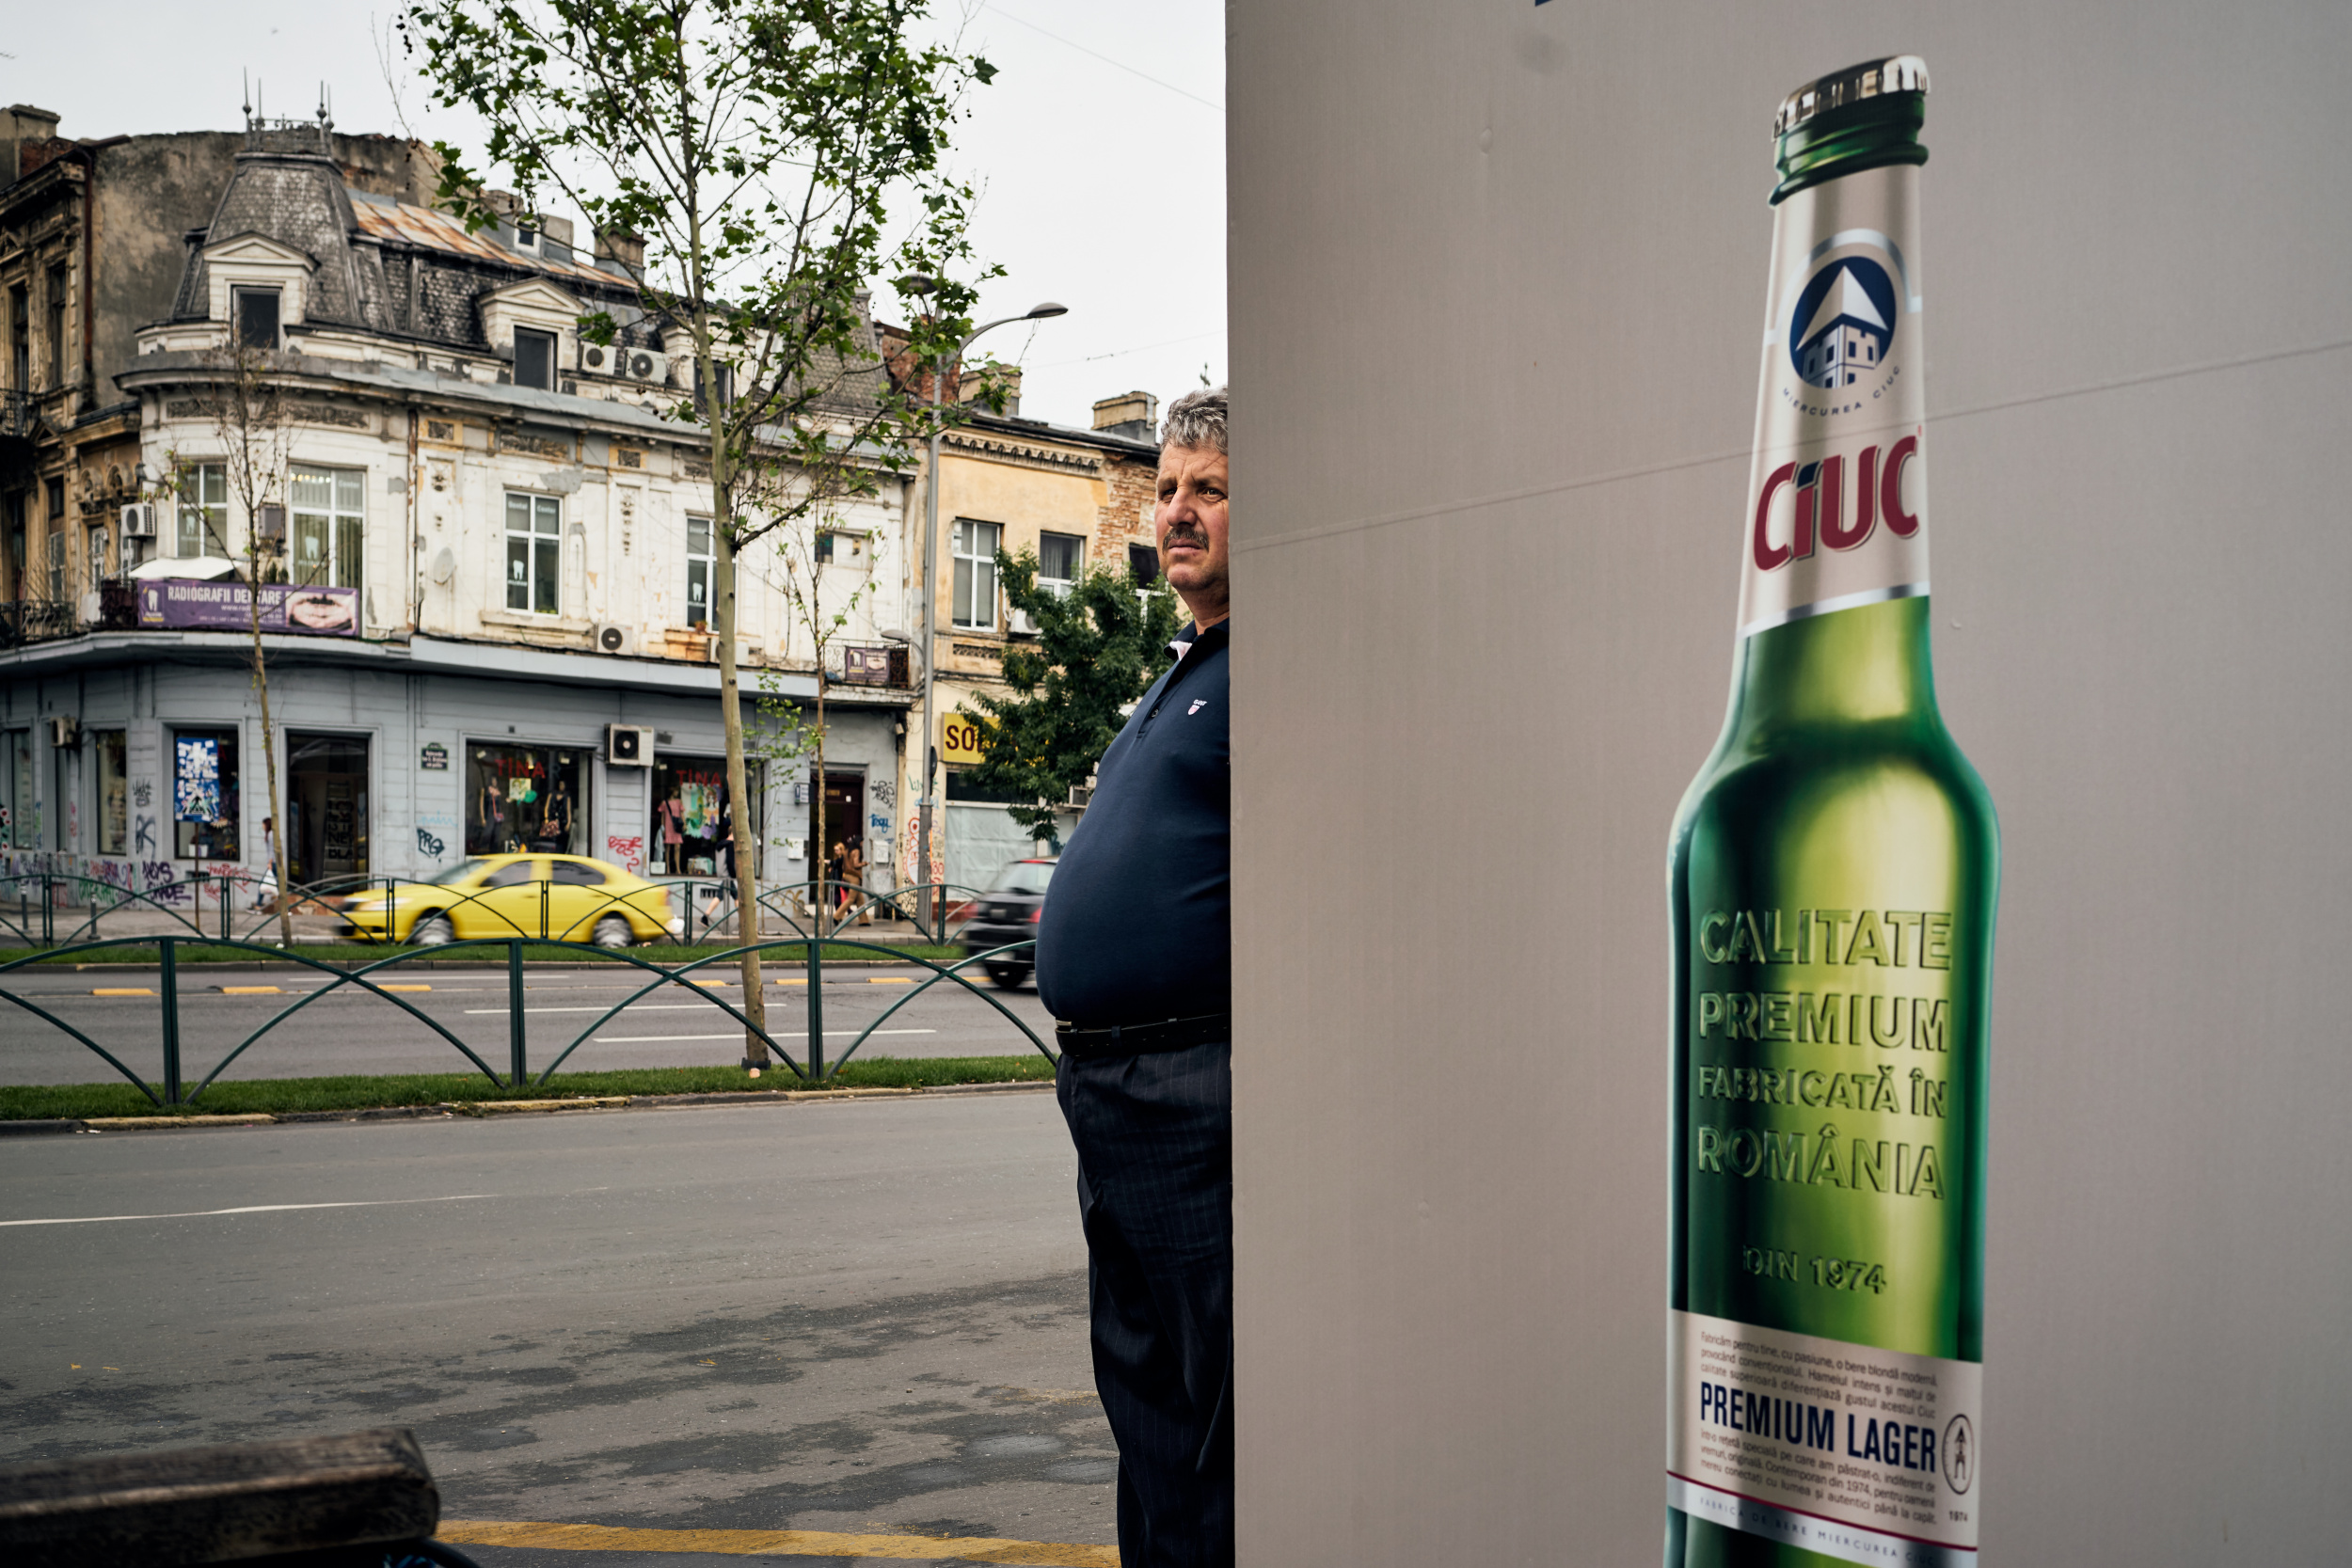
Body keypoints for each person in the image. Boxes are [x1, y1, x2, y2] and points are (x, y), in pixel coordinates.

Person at [1036, 386, 1232, 1567]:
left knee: (1218, 1413)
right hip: (1109, 1092)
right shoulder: (1180, 669)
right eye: (1164, 488)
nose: (1175, 510)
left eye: (1208, 488)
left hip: (1193, 1085)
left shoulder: (1275, 662)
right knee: (1146, 1405)